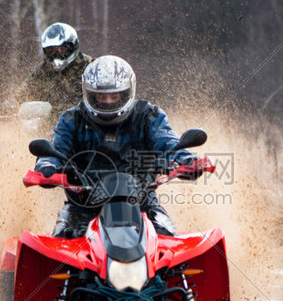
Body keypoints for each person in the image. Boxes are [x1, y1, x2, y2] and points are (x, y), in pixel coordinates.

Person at [33, 55, 201, 238]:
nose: (108, 102)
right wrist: (46, 166)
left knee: (170, 242)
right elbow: (56, 149)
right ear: (88, 92)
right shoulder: (71, 119)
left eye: (115, 96)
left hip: (143, 204)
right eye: (101, 96)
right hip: (82, 206)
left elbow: (167, 141)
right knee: (57, 251)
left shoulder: (147, 115)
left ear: (128, 91)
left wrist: (185, 159)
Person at [21, 22, 93, 113]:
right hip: (48, 124)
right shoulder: (43, 71)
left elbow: (101, 99)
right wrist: (8, 109)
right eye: (53, 50)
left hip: (81, 122)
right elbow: (22, 95)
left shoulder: (90, 67)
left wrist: (56, 110)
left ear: (71, 46)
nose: (58, 53)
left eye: (62, 49)